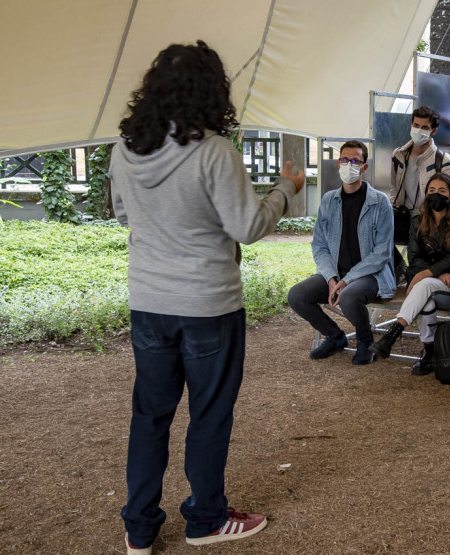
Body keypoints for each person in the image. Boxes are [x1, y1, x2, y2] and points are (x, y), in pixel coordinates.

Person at [111, 41, 304, 554]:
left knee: (149, 415)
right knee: (209, 413)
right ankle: (205, 519)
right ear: (210, 90)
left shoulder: (124, 149)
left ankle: (139, 528)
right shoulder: (214, 150)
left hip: (148, 301)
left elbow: (124, 215)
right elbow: (247, 226)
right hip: (207, 305)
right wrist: (285, 188)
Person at [287, 140, 395, 366]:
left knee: (348, 295)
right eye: (345, 160)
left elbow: (382, 253)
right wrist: (331, 277)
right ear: (338, 164)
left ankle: (366, 342)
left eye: (355, 161)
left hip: (370, 275)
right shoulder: (328, 200)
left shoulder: (380, 202)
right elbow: (319, 246)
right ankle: (335, 337)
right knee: (297, 295)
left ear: (364, 167)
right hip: (335, 272)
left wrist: (346, 280)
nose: (349, 165)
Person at [369, 173, 450, 375]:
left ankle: (393, 334)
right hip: (433, 282)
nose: (436, 195)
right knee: (426, 299)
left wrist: (429, 274)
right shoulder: (417, 222)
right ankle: (430, 353)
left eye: (442, 191)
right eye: (431, 191)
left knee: (424, 285)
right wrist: (435, 275)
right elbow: (414, 258)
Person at [390, 105, 450, 218]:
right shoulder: (399, 155)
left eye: (425, 127)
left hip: (430, 219)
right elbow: (394, 187)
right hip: (403, 217)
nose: (419, 130)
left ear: (433, 131)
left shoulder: (444, 161)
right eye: (416, 125)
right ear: (411, 126)